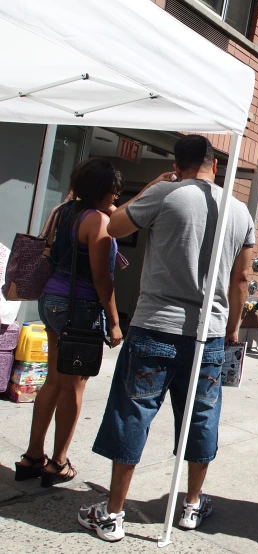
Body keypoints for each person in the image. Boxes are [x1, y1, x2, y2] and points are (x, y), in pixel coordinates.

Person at [77, 135, 255, 542]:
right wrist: (230, 329)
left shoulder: (166, 194)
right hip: (207, 336)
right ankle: (191, 505)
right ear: (215, 164)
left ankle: (113, 514)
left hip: (156, 325)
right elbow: (242, 279)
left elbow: (115, 226)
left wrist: (152, 187)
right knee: (202, 416)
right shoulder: (241, 212)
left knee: (133, 412)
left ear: (179, 164)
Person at [15, 159, 124, 486]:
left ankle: (33, 456)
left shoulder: (64, 212)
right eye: (114, 190)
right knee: (74, 386)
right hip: (79, 308)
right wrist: (115, 321)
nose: (116, 196)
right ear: (103, 191)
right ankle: (58, 463)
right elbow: (101, 277)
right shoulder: (97, 222)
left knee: (53, 380)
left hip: (51, 301)